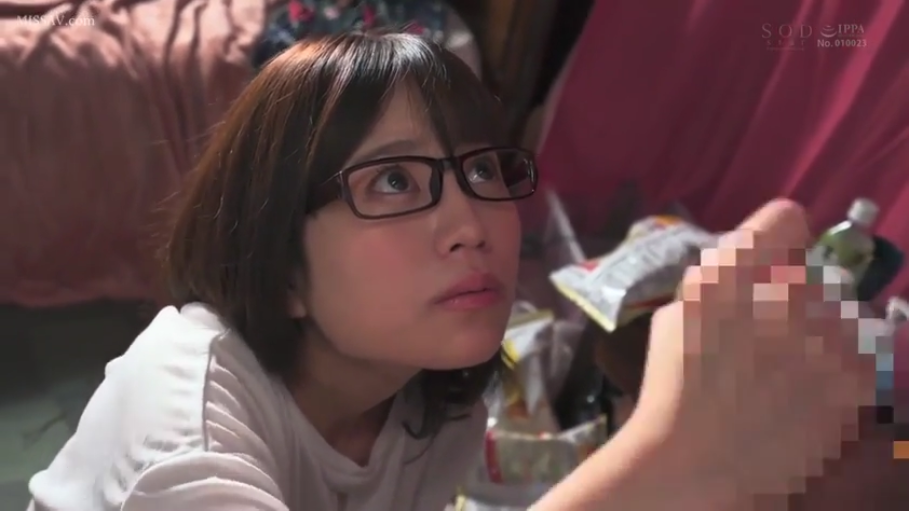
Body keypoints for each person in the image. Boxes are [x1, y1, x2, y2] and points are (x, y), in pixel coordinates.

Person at [27, 33, 878, 511]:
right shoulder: (182, 428)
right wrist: (677, 457)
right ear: (278, 260)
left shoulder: (434, 404)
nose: (471, 224)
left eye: (481, 171)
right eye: (394, 182)